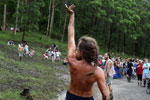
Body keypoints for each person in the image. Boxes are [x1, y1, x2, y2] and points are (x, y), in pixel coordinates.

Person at [65, 4, 109, 100]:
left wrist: (72, 16)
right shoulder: (98, 72)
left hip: (70, 96)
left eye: (77, 48)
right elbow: (105, 95)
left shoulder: (72, 61)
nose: (75, 49)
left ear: (81, 52)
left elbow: (71, 36)